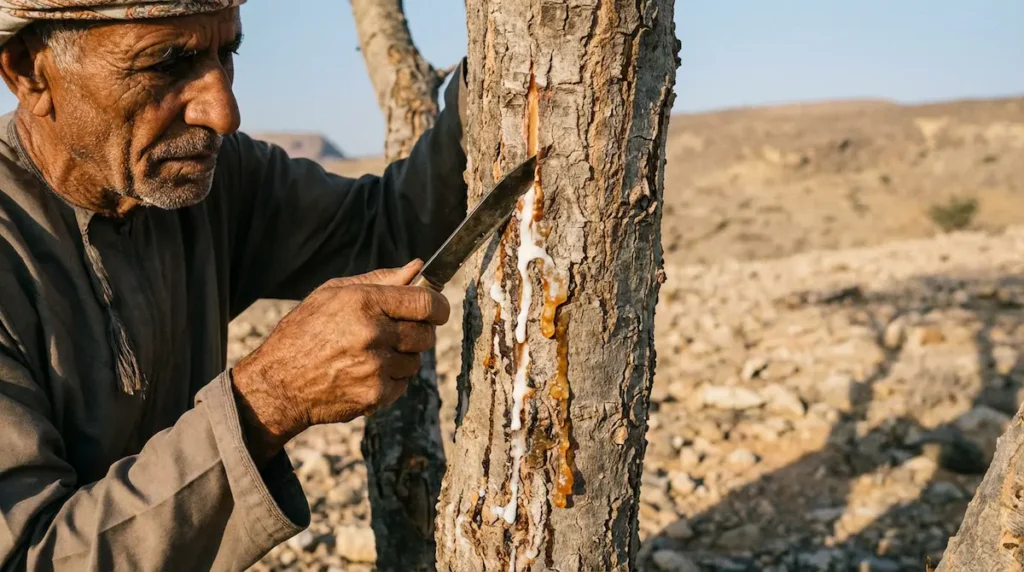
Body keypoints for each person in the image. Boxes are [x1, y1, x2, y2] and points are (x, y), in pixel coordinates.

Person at [0, 1, 468, 569]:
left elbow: (387, 227)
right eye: (165, 63)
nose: (224, 113)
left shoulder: (207, 184)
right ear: (28, 70)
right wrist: (269, 398)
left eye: (227, 54)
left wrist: (487, 83)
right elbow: (30, 557)